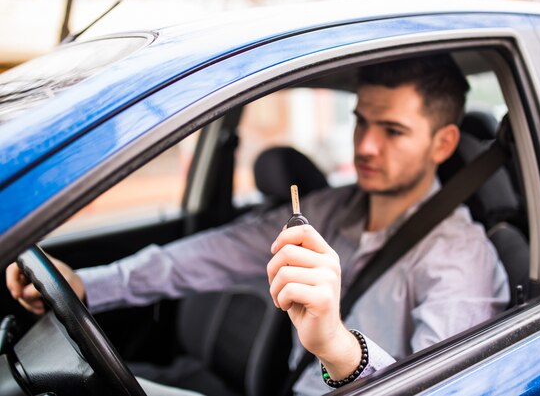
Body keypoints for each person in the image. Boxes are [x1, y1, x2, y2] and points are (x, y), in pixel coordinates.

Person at [6, 54, 509, 396]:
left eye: (392, 131)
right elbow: (205, 255)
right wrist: (88, 284)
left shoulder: (460, 258)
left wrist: (336, 345)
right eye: (361, 121)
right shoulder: (332, 209)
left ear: (443, 144)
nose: (365, 146)